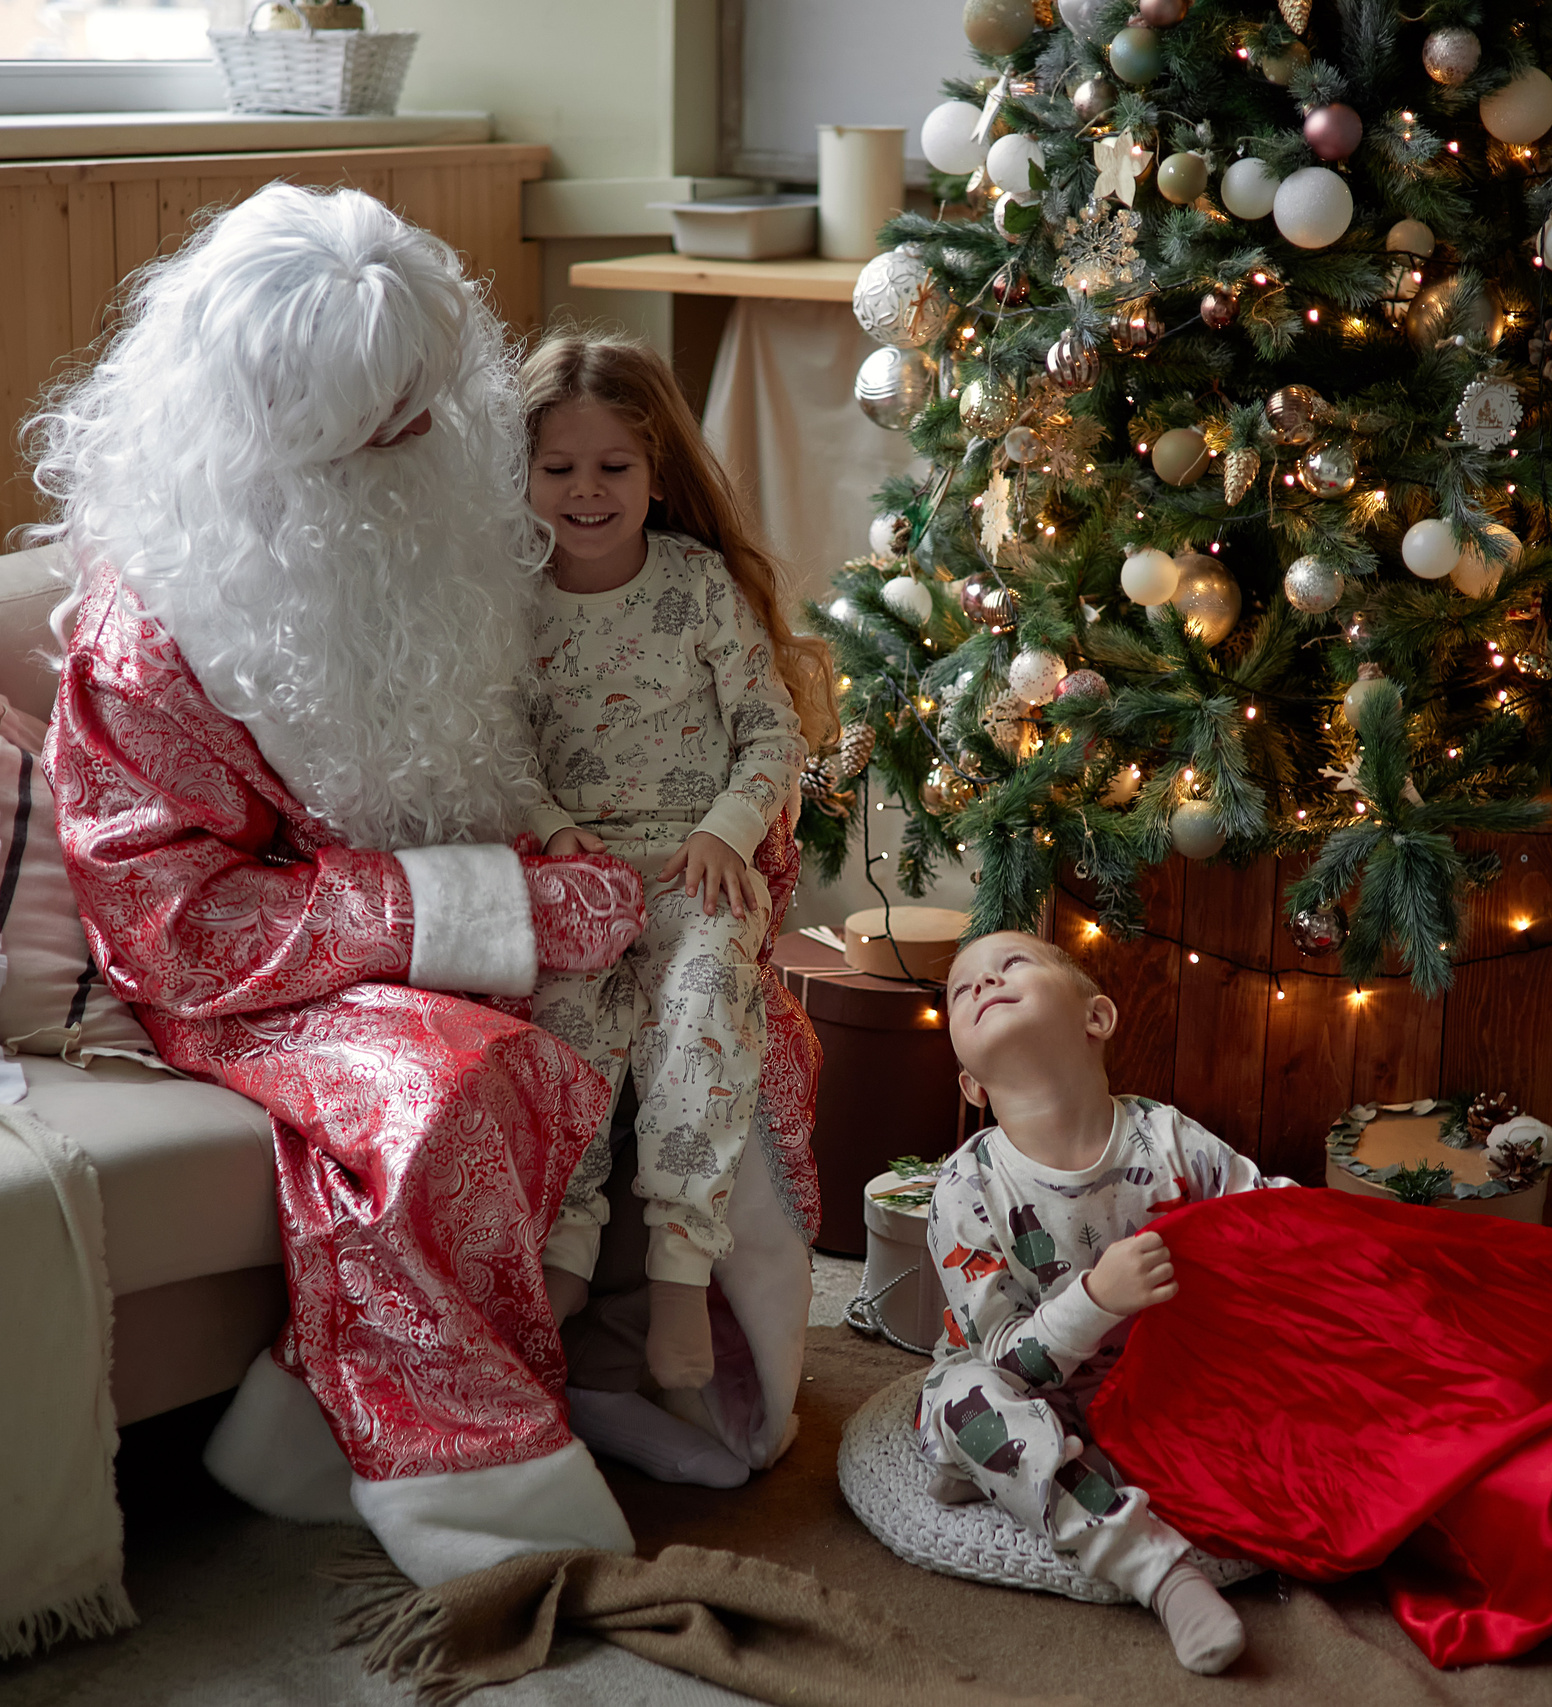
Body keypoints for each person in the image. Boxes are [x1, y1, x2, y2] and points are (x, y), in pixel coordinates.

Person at [29, 184, 666, 1586]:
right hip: (246, 982)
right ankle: (481, 1498)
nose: (434, 441)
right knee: (449, 1083)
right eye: (390, 426)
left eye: (435, 400)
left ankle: (332, 1419)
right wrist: (486, 909)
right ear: (277, 440)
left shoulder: (448, 508)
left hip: (435, 922)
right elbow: (172, 928)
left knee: (700, 1009)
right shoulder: (151, 635)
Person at [511, 333, 834, 1485]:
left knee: (701, 1015)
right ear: (523, 476)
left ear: (656, 474)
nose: (586, 492)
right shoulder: (511, 606)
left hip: (699, 871)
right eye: (559, 469)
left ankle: (680, 1275)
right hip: (580, 874)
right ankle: (563, 1259)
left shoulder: (694, 587)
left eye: (614, 467)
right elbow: (498, 750)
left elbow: (770, 729)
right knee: (565, 1033)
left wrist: (727, 831)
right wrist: (553, 827)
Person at [921, 931, 1279, 1676]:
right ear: (971, 1086)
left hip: (1161, 1380)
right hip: (1026, 1384)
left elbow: (1271, 1221)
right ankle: (1159, 1571)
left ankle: (1027, 1474)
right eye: (961, 989)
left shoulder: (1166, 1138)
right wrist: (1095, 1298)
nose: (983, 983)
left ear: (1097, 1017)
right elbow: (1004, 1358)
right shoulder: (965, 1188)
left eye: (1011, 965)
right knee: (965, 1404)